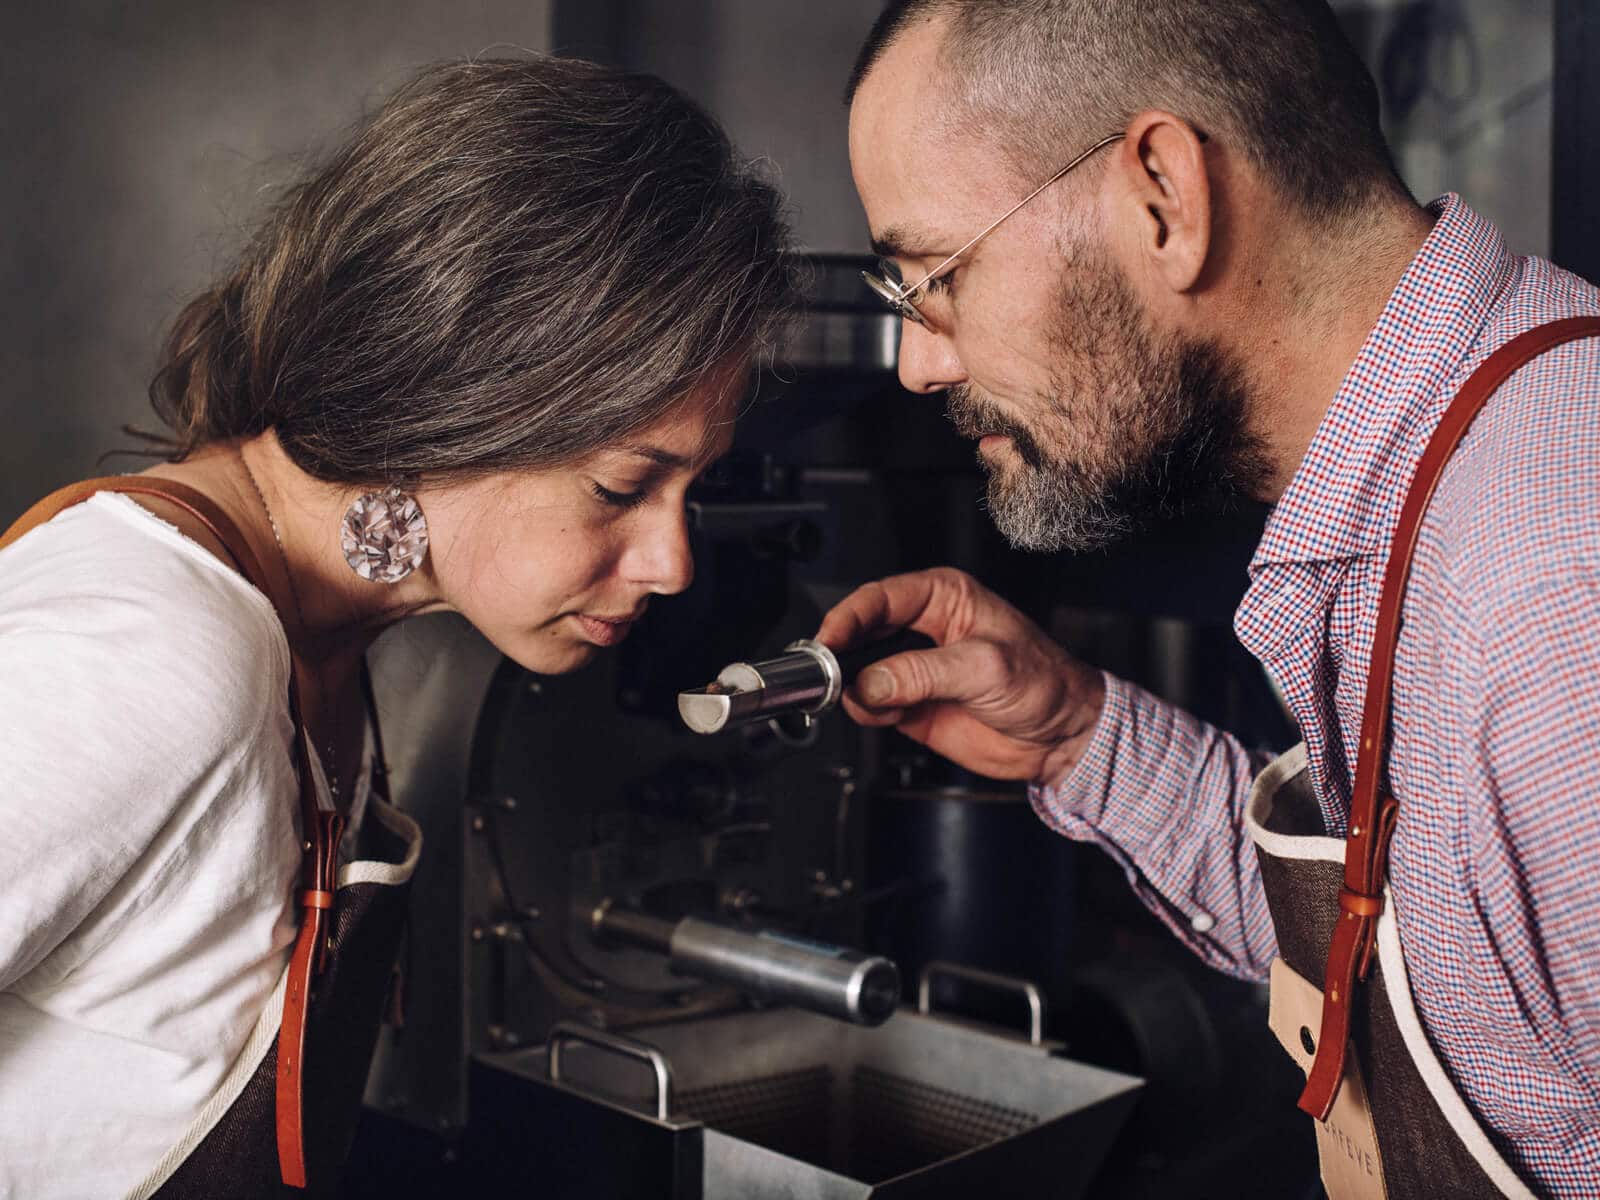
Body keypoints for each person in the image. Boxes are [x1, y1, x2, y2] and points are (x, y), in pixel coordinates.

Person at [822, 2, 1600, 1196]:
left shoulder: (1552, 594)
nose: (921, 361)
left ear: (1163, 200)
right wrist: (1082, 735)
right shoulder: (1449, 471)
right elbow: (1426, 970)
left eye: (932, 278)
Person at [0, 56, 796, 1197]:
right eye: (624, 487)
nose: (672, 565)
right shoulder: (156, 658)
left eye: (692, 492)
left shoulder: (318, 635)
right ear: (445, 396)